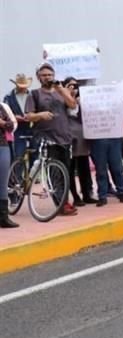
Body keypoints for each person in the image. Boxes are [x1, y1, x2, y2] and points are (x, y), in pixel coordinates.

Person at [22, 63, 78, 216]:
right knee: (54, 172)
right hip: (46, 138)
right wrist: (41, 115)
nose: (47, 77)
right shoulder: (34, 94)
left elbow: (72, 105)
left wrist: (62, 90)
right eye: (44, 75)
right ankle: (62, 204)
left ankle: (65, 201)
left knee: (66, 171)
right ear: (39, 77)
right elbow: (28, 115)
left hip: (65, 137)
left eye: (50, 75)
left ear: (54, 76)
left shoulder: (61, 91)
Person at [63, 77, 95, 206]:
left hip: (82, 136)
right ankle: (75, 196)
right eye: (70, 85)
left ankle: (87, 193)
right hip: (69, 137)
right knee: (70, 168)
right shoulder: (61, 100)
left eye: (75, 85)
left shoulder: (84, 100)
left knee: (84, 167)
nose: (73, 88)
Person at [4, 74, 34, 163]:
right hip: (17, 129)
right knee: (18, 155)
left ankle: (32, 175)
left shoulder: (32, 95)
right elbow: (5, 112)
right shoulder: (9, 97)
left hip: (32, 128)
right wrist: (14, 117)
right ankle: (17, 176)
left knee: (35, 155)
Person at [0, 99, 18, 228]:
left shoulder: (1, 107)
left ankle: (4, 217)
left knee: (3, 182)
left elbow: (11, 126)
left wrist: (2, 123)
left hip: (2, 146)